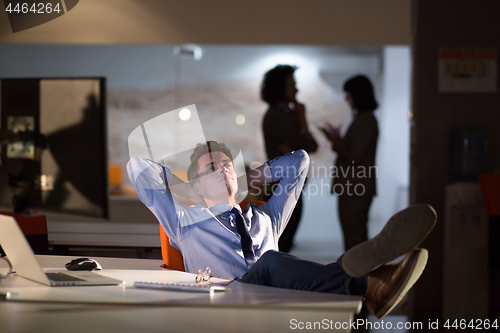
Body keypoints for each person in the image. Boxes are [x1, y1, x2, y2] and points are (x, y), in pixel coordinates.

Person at [127, 140, 436, 319]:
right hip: (225, 304)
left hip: (277, 299)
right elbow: (138, 167)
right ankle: (371, 283)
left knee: (301, 269)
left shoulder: (266, 217)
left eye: (227, 164)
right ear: (196, 185)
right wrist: (185, 188)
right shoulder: (184, 222)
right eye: (211, 168)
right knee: (272, 263)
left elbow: (300, 161)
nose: (223, 168)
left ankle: (374, 282)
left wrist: (256, 175)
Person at [261, 64, 318, 252]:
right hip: (280, 187)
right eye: (291, 85)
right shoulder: (276, 117)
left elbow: (310, 147)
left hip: (290, 184)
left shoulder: (287, 114)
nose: (296, 89)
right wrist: (302, 118)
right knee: (281, 244)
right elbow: (306, 146)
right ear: (280, 88)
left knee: (285, 243)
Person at [320, 75, 379, 251]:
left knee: (355, 240)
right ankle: (358, 277)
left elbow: (355, 155)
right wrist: (338, 140)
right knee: (355, 237)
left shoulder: (365, 120)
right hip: (355, 188)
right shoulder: (365, 119)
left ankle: (358, 278)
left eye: (349, 95)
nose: (347, 100)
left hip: (355, 188)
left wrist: (335, 141)